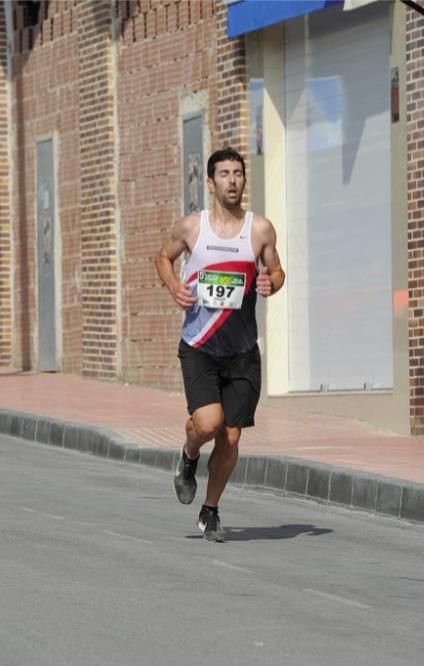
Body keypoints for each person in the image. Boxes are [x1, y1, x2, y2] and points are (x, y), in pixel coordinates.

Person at [154, 147, 285, 542]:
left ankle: (210, 510)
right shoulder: (193, 228)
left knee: (231, 435)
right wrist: (175, 287)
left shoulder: (259, 230)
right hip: (200, 346)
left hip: (243, 350)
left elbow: (276, 271)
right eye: (224, 174)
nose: (232, 180)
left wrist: (271, 284)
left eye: (238, 173)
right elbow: (163, 257)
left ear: (245, 180)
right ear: (210, 183)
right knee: (208, 424)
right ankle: (189, 454)